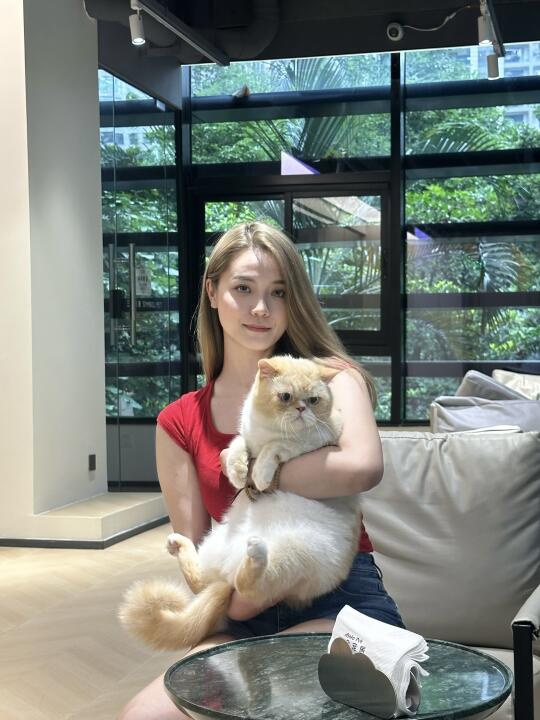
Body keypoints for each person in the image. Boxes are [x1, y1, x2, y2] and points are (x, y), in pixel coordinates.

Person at [118, 221, 404, 720]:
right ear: (212, 292)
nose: (260, 309)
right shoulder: (179, 421)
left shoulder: (331, 379)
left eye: (278, 292)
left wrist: (256, 473)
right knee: (140, 716)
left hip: (336, 599)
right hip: (237, 606)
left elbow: (361, 467)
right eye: (243, 289)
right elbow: (200, 549)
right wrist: (236, 605)